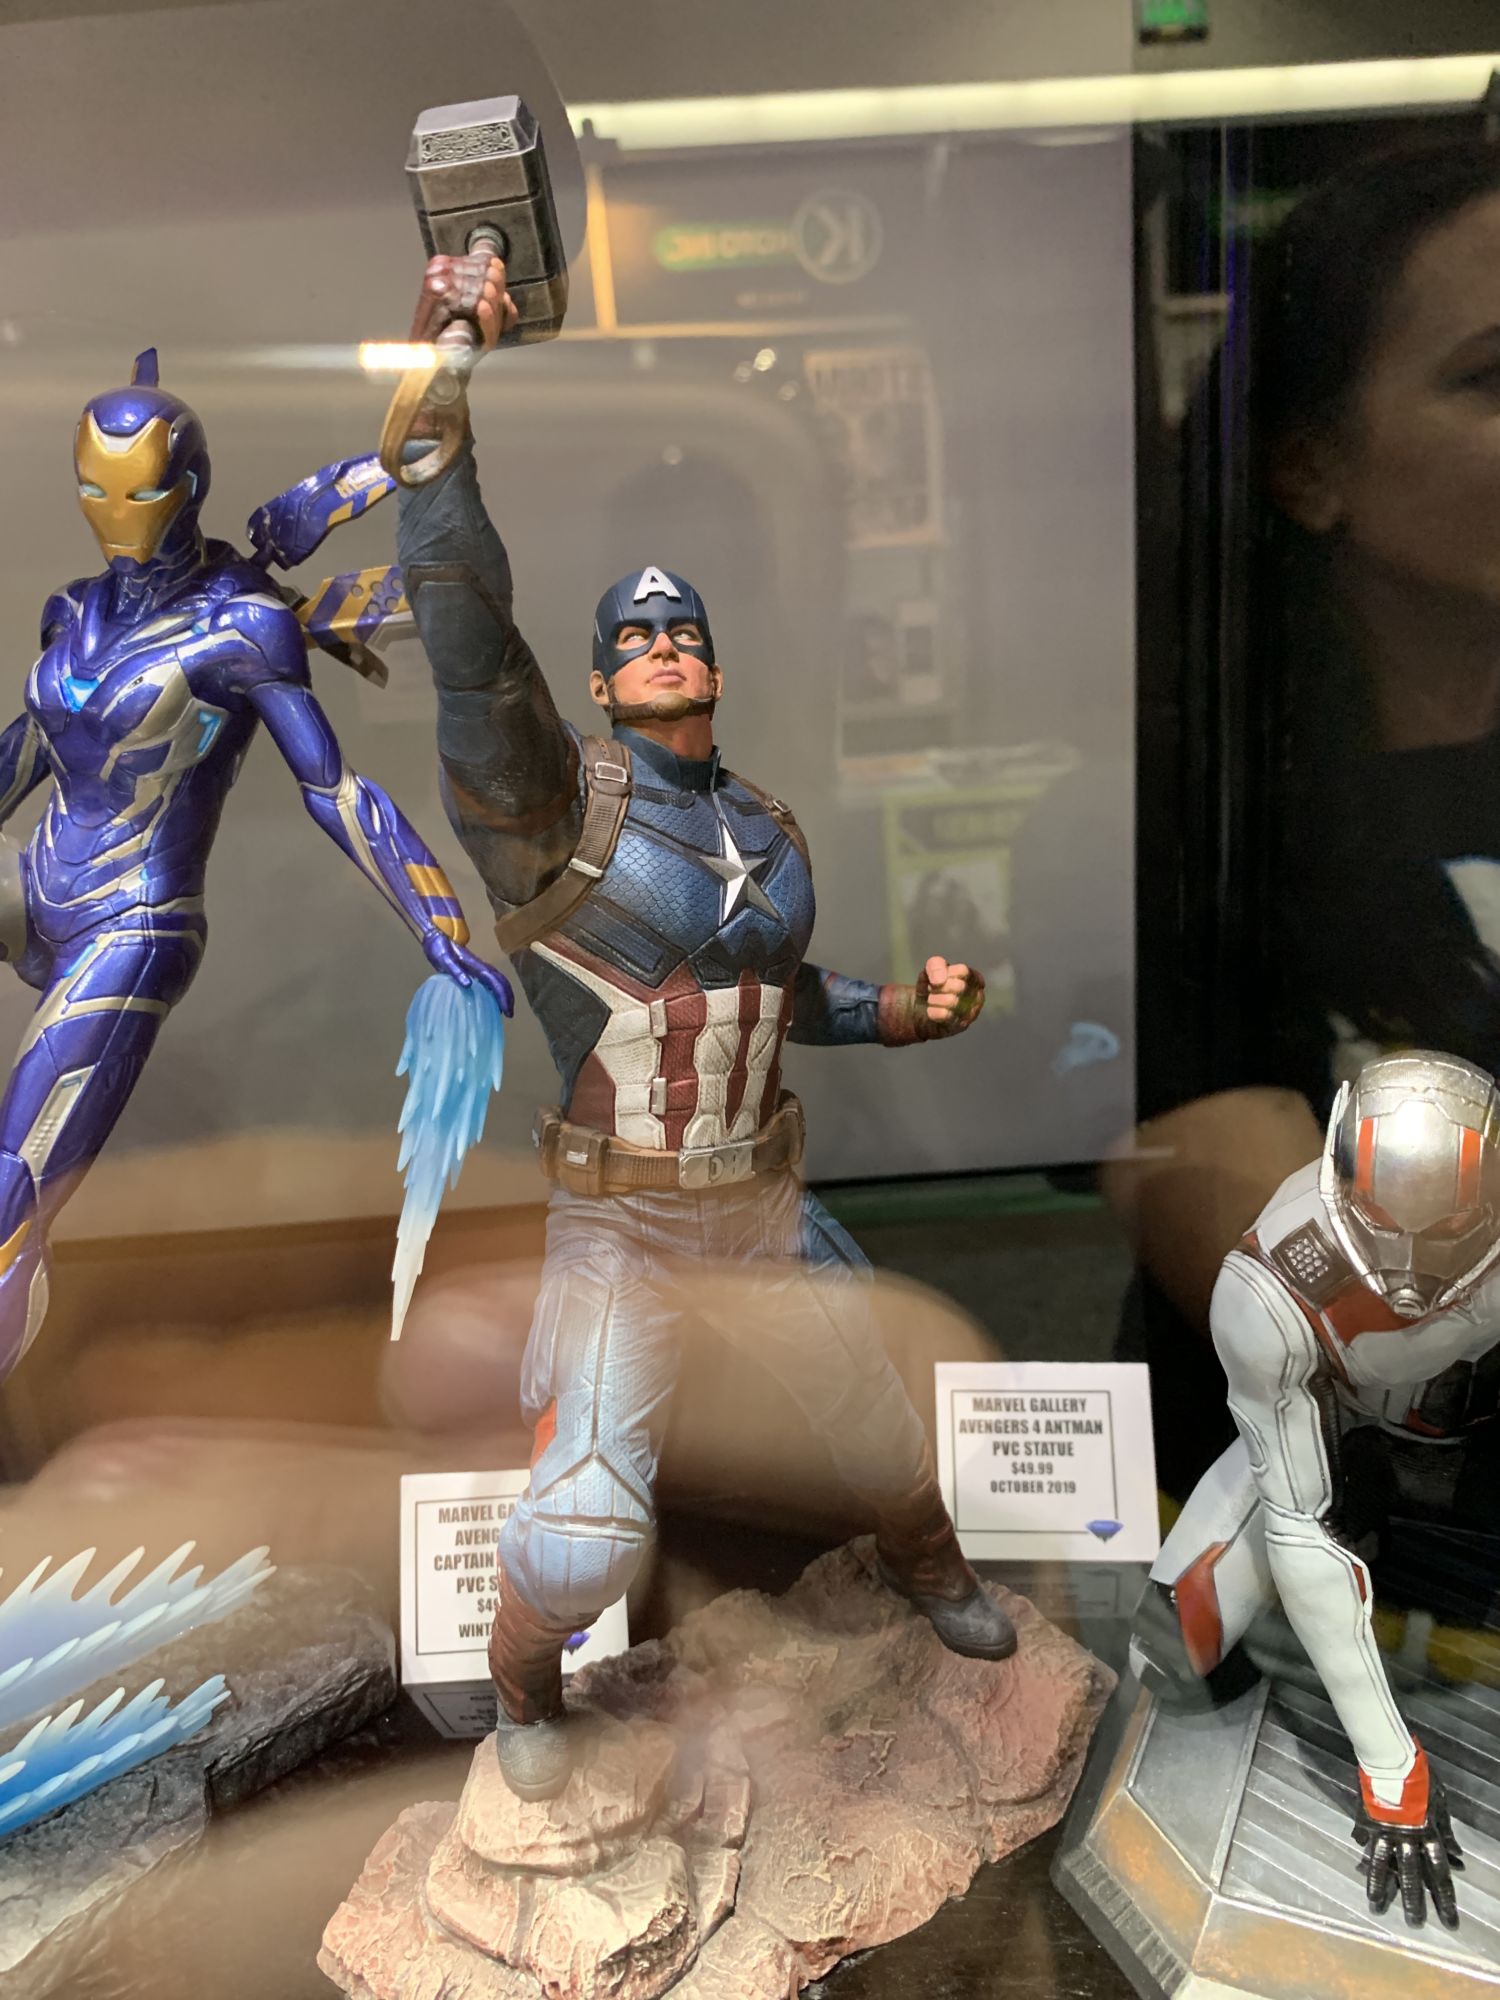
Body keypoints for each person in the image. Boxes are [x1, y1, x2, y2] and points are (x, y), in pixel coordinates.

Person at [396, 250, 1014, 1800]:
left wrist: (902, 1014)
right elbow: (469, 646)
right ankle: (522, 1681)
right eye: (635, 638)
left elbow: (770, 1001)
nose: (663, 644)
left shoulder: (766, 824)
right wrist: (442, 416)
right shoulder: (561, 817)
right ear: (603, 683)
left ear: (716, 665)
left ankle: (933, 1570)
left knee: (883, 1430)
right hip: (626, 1224)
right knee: (589, 1521)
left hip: (766, 1203)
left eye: (683, 631)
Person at [1111, 138, 1500, 1494]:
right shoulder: (1185, 831)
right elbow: (1352, 1336)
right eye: (1491, 379)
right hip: (1356, 1581)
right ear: (1309, 466)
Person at [0, 350, 511, 1381]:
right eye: (94, 490)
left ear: (188, 487)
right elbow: (27, 752)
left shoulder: (244, 626)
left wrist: (438, 923)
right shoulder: (71, 610)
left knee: (12, 1193)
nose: (113, 515)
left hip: (131, 926)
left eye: (138, 492)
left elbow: (333, 788)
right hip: (30, 887)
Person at [1134, 1050, 1492, 1930]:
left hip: (1472, 1436)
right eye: (1388, 1220)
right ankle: (1375, 1503)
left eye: (1445, 1227)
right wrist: (1393, 1773)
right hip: (1341, 1434)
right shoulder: (1274, 1289)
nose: (1412, 1269)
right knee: (1170, 1650)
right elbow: (1300, 1531)